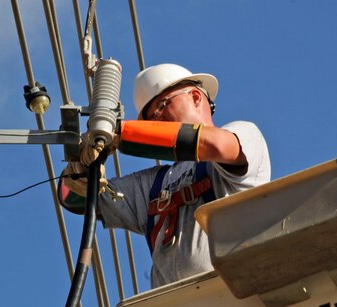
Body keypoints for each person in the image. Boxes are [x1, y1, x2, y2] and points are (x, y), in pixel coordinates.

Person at [60, 63, 270, 289]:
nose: (157, 121)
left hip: (232, 292)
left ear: (196, 97)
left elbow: (218, 146)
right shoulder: (153, 185)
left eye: (162, 105)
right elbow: (72, 199)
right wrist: (80, 171)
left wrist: (124, 134)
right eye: (150, 119)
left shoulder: (243, 134)